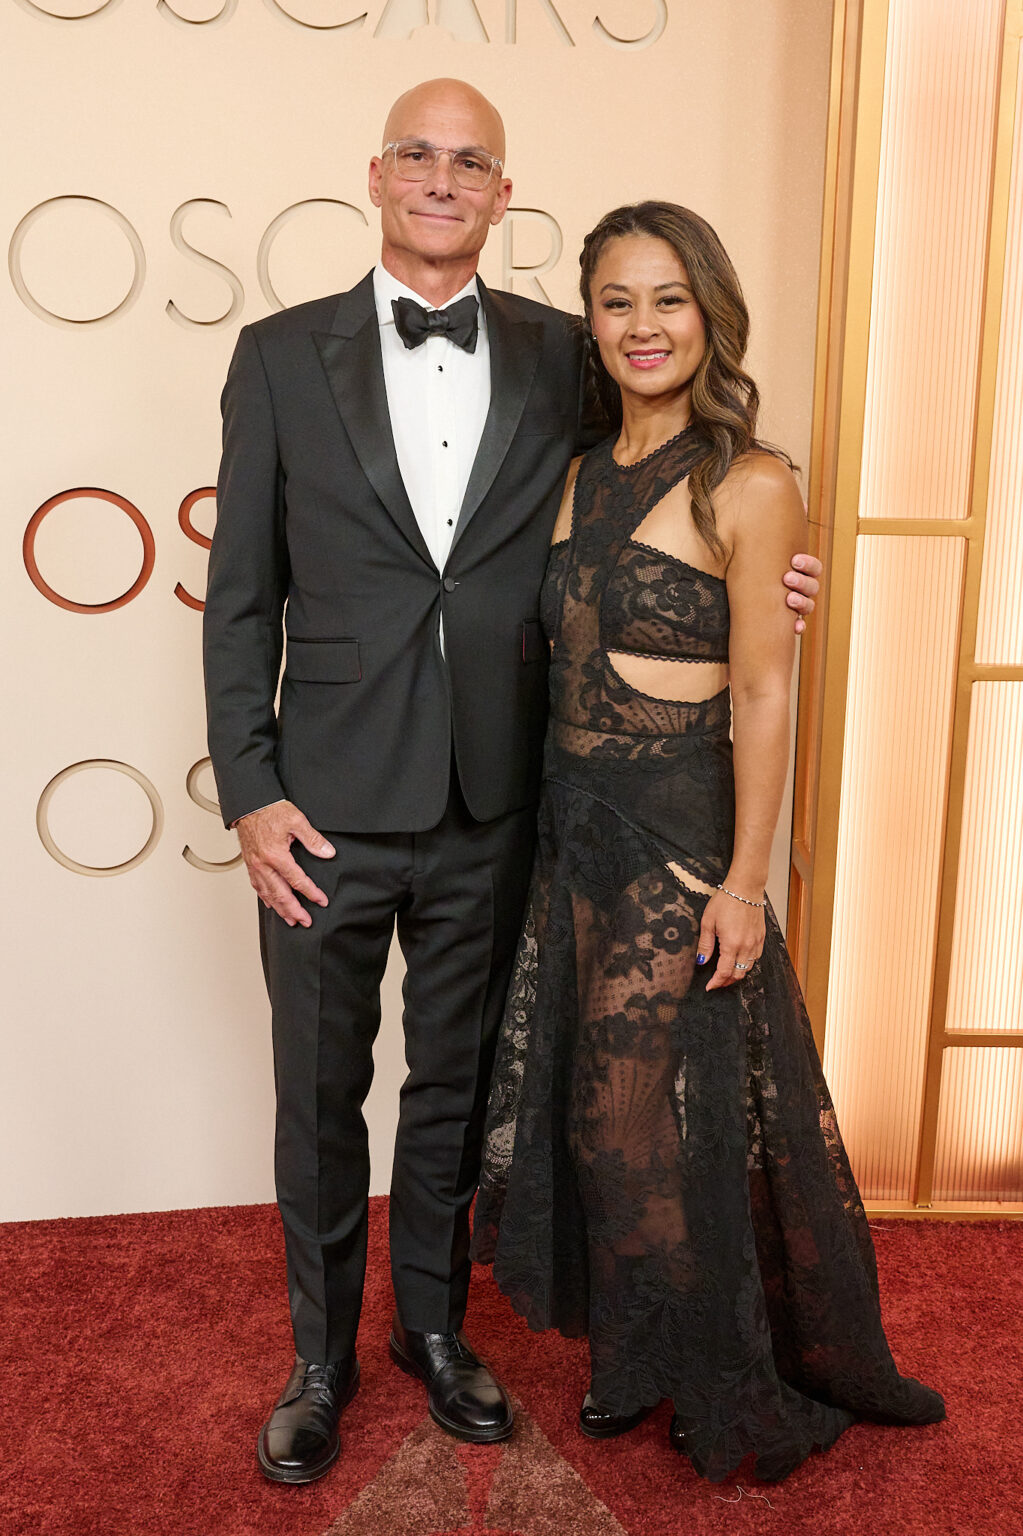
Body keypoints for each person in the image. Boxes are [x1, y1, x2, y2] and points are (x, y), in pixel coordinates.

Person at [203, 83, 822, 1486]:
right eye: (416, 156)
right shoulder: (279, 357)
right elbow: (238, 600)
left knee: (449, 1093)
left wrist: (777, 573)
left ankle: (431, 1330)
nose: (439, 179)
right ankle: (317, 1362)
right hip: (319, 809)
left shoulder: (565, 352)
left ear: (500, 192)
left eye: (467, 162)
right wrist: (249, 788)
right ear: (375, 176)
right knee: (315, 1096)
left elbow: (666, 487)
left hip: (498, 806)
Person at [471, 200, 945, 1483]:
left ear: (711, 313)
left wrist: (747, 878)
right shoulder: (572, 472)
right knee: (588, 1120)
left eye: (668, 298)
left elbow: (763, 692)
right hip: (573, 831)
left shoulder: (749, 478)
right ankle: (637, 1353)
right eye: (617, 300)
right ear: (590, 319)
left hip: (677, 843)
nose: (642, 325)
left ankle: (728, 1377)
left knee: (639, 1122)